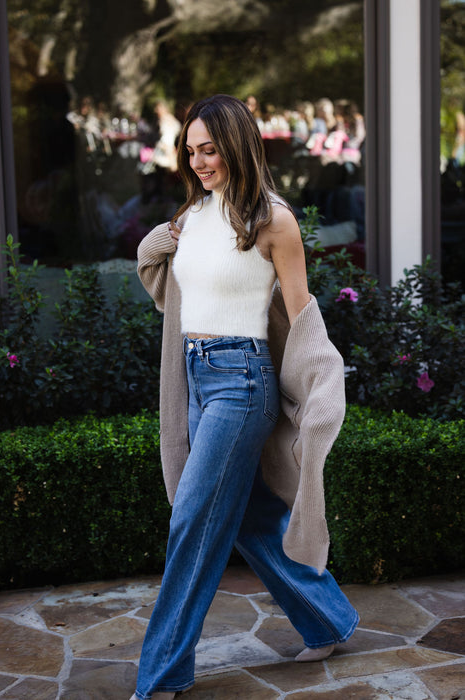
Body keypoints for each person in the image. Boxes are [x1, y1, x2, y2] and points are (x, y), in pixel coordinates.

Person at [132, 94, 359, 700]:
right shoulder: (195, 215)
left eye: (210, 149)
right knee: (253, 519)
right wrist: (160, 237)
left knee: (194, 521)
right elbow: (160, 277)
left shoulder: (273, 221)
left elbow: (301, 317)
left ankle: (160, 675)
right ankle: (329, 618)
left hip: (242, 382)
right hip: (196, 379)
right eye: (191, 150)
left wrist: (320, 387)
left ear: (238, 146)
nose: (199, 161)